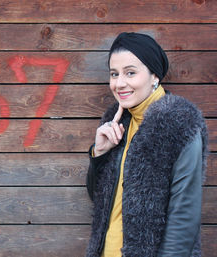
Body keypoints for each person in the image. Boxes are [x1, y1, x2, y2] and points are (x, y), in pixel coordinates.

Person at [85, 32, 208, 257]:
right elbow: (100, 201)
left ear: (154, 76)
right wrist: (100, 154)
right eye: (114, 74)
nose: (119, 83)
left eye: (130, 73)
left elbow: (184, 220)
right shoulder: (115, 122)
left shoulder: (179, 124)